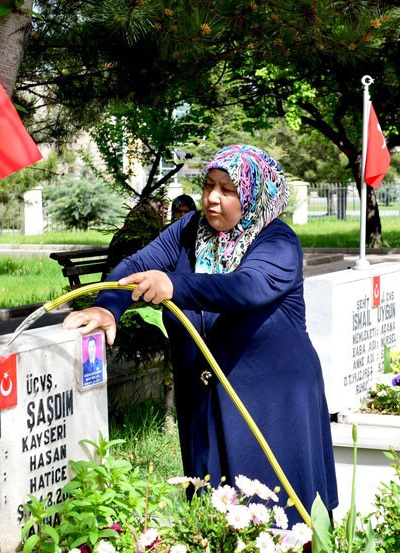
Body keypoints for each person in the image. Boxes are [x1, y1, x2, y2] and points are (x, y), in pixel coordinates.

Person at [63, 144, 338, 524]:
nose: (211, 198)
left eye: (228, 190)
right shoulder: (189, 230)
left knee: (278, 517)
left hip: (271, 403)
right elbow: (137, 265)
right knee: (212, 516)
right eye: (209, 185)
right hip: (203, 399)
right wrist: (107, 306)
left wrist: (174, 285)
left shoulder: (278, 242)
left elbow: (244, 288)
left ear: (255, 195)